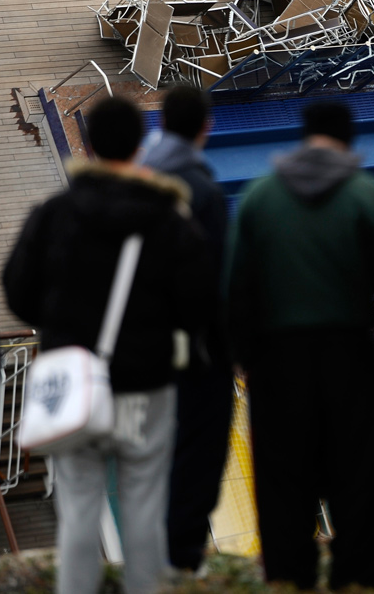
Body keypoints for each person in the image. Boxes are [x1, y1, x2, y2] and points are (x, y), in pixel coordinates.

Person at [3, 96, 208, 594]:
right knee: (143, 508)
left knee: (77, 510)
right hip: (146, 384)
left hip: (73, 387)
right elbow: (197, 304)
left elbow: (16, 289)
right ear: (140, 146)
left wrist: (60, 332)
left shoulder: (54, 214)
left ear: (89, 144)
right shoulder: (169, 219)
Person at [227, 101, 374, 590]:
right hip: (348, 351)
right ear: (347, 139)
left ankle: (290, 578)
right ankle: (359, 578)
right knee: (358, 473)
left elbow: (235, 286)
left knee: (283, 477)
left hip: (278, 359)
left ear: (305, 136)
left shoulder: (260, 197)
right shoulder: (366, 195)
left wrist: (247, 355)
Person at [137, 84, 233, 574]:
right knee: (199, 450)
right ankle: (181, 560)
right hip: (191, 350)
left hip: (136, 352)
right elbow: (215, 278)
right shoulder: (199, 188)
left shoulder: (136, 180)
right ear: (205, 127)